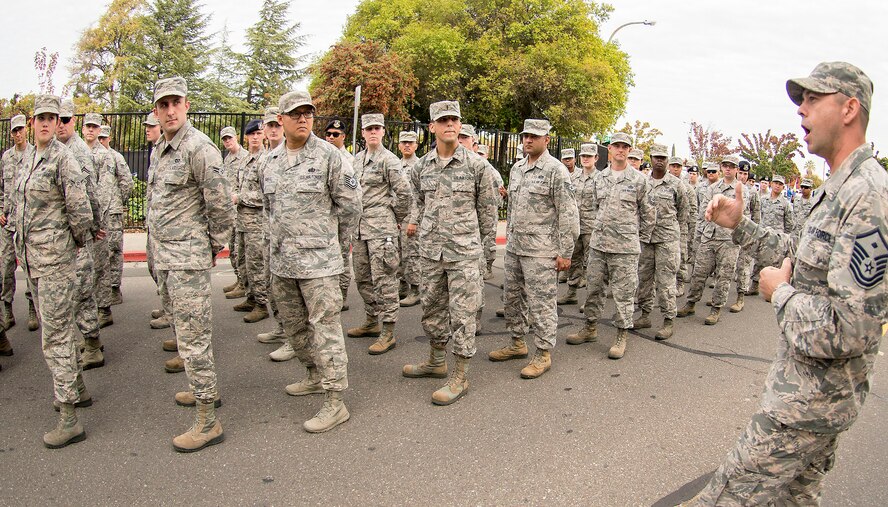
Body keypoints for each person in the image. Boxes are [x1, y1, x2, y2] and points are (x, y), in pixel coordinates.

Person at [685, 61, 886, 506]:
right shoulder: (838, 186)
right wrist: (741, 226)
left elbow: (852, 327)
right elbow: (796, 251)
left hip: (808, 405)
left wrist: (781, 294)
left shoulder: (868, 194)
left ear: (850, 108)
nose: (801, 111)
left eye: (814, 100)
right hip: (807, 396)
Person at [260, 89, 361, 432]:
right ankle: (313, 375)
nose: (303, 119)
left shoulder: (330, 157)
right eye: (296, 114)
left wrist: (335, 245)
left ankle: (335, 402)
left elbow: (351, 207)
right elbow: (269, 209)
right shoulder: (269, 162)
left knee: (326, 329)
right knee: (293, 327)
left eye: (308, 113)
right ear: (281, 120)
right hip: (283, 263)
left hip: (320, 264)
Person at [148, 76, 234, 451]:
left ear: (186, 105)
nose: (170, 110)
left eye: (175, 103)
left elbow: (220, 205)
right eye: (163, 105)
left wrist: (210, 248)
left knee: (194, 338)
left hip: (187, 260)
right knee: (184, 335)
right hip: (166, 259)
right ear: (156, 110)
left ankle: (207, 420)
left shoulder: (199, 148)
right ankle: (203, 393)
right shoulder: (161, 149)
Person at [12, 95, 95, 448]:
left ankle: (69, 416)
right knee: (57, 331)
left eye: (53, 117)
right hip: (33, 261)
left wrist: (69, 248)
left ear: (59, 121)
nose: (46, 123)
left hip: (55, 262)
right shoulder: (30, 156)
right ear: (32, 122)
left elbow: (81, 212)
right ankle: (76, 389)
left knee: (56, 339)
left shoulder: (64, 159)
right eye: (40, 117)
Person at [402, 100, 496, 404]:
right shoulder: (421, 167)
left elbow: (488, 214)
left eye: (454, 119)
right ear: (432, 127)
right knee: (431, 309)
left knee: (463, 315)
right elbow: (417, 202)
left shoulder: (477, 166)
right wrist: (419, 226)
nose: (450, 125)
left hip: (464, 254)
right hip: (431, 252)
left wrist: (486, 254)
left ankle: (460, 375)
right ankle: (435, 360)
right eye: (443, 120)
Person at [489, 119, 578, 376]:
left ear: (546, 140)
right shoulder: (517, 168)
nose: (528, 140)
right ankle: (517, 343)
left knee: (542, 304)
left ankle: (543, 353)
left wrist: (565, 252)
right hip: (516, 247)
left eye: (534, 136)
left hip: (542, 251)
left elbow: (568, 215)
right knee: (512, 300)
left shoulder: (556, 170)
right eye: (526, 136)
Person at [567, 132, 653, 359]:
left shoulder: (639, 180)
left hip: (625, 248)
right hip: (599, 245)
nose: (621, 150)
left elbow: (648, 215)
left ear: (629, 150)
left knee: (623, 294)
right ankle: (590, 328)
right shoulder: (599, 178)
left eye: (625, 146)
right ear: (610, 149)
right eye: (616, 146)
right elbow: (594, 208)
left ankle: (621, 334)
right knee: (594, 288)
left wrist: (637, 239)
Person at [345, 114, 411, 355]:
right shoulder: (356, 160)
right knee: (362, 278)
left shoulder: (389, 160)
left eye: (377, 128)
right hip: (360, 230)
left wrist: (395, 219)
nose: (373, 132)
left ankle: (388, 330)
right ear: (362, 133)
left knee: (384, 280)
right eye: (368, 128)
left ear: (383, 131)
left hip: (381, 228)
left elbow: (404, 193)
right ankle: (372, 320)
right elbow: (350, 189)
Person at [57, 100, 105, 370]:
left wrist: (95, 224)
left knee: (81, 290)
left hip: (78, 234)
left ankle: (93, 344)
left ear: (72, 120)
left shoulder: (78, 151)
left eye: (65, 120)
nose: (60, 125)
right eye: (56, 120)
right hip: (59, 237)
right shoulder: (54, 150)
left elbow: (92, 193)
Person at [678, 155, 742, 325]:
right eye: (725, 165)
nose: (728, 169)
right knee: (698, 272)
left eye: (731, 166)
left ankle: (716, 308)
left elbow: (746, 215)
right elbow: (702, 214)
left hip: (729, 240)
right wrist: (698, 236)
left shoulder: (741, 190)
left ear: (736, 169)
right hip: (709, 236)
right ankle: (690, 303)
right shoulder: (713, 188)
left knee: (724, 276)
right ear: (722, 168)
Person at [634, 144, 689, 339]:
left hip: (667, 240)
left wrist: (676, 235)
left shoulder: (676, 185)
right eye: (656, 157)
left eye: (663, 158)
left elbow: (683, 213)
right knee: (644, 279)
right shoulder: (642, 182)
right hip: (646, 239)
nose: (659, 160)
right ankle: (645, 315)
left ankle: (668, 320)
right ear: (650, 158)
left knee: (666, 282)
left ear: (668, 160)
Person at [82, 114, 118, 331]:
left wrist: (98, 222)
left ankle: (104, 308)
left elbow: (104, 192)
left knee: (101, 265)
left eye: (95, 127)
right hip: (80, 223)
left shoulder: (104, 156)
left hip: (97, 221)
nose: (90, 130)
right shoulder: (75, 152)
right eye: (88, 126)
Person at [0, 114, 34, 331]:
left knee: (30, 267)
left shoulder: (34, 154)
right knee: (5, 268)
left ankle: (33, 306)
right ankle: (7, 308)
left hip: (28, 222)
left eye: (21, 129)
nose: (18, 133)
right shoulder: (6, 158)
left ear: (26, 130)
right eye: (14, 130)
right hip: (8, 221)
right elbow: (1, 188)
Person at [97, 125, 134, 306]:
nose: (101, 141)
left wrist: (117, 201)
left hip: (112, 211)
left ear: (108, 138)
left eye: (103, 138)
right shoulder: (87, 155)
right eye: (99, 137)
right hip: (95, 213)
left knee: (113, 250)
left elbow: (127, 182)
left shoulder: (115, 157)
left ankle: (113, 288)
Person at [558, 143, 598, 305]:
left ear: (596, 158)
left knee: (592, 263)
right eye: (583, 156)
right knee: (574, 260)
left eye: (589, 156)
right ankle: (572, 292)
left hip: (592, 227)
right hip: (575, 227)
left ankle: (591, 299)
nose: (586, 159)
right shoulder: (573, 178)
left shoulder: (601, 178)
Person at [221, 126, 249, 302]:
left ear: (236, 138)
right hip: (229, 210)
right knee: (232, 247)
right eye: (224, 139)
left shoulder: (245, 157)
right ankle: (238, 279)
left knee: (240, 249)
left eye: (229, 138)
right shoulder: (227, 159)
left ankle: (243, 283)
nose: (227, 142)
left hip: (240, 208)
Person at [730, 159, 762, 312]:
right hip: (729, 232)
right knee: (725, 264)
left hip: (745, 232)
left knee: (743, 265)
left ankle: (740, 297)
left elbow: (756, 213)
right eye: (741, 173)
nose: (742, 176)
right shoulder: (730, 188)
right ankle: (718, 295)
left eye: (745, 174)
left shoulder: (753, 192)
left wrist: (754, 233)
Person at [397, 130, 421, 306]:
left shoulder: (419, 166)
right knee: (397, 254)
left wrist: (414, 220)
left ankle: (415, 289)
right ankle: (402, 286)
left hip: (411, 218)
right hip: (397, 217)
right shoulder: (396, 165)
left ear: (416, 146)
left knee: (411, 254)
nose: (407, 145)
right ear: (399, 145)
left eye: (410, 143)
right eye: (404, 142)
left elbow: (418, 197)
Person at [668, 156, 697, 296]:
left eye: (678, 166)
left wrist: (691, 230)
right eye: (673, 166)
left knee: (681, 255)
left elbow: (693, 210)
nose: (675, 169)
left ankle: (679, 283)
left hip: (681, 227)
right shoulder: (661, 183)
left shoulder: (688, 188)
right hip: (663, 227)